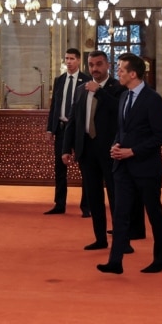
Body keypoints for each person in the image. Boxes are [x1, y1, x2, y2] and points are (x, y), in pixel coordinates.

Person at [98, 52, 162, 275]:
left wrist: (133, 151)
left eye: (121, 69)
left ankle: (160, 259)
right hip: (123, 167)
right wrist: (116, 145)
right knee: (120, 214)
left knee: (154, 213)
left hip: (146, 167)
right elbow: (122, 130)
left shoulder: (153, 99)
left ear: (133, 74)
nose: (117, 72)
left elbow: (161, 136)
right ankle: (115, 261)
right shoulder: (123, 96)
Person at [62, 50, 129, 250]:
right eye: (91, 65)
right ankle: (100, 239)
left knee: (116, 197)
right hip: (87, 150)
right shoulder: (81, 89)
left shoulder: (118, 87)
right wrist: (66, 148)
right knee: (94, 196)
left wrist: (99, 91)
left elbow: (121, 111)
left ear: (108, 65)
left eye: (99, 64)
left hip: (110, 151)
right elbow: (73, 120)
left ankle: (122, 241)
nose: (95, 69)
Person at [45, 48, 92, 216]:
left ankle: (86, 207)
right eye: (66, 58)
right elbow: (54, 106)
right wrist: (50, 129)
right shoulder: (60, 80)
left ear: (78, 60)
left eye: (72, 58)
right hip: (62, 128)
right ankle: (59, 204)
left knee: (85, 168)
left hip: (80, 130)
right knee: (60, 168)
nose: (69, 62)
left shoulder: (86, 80)